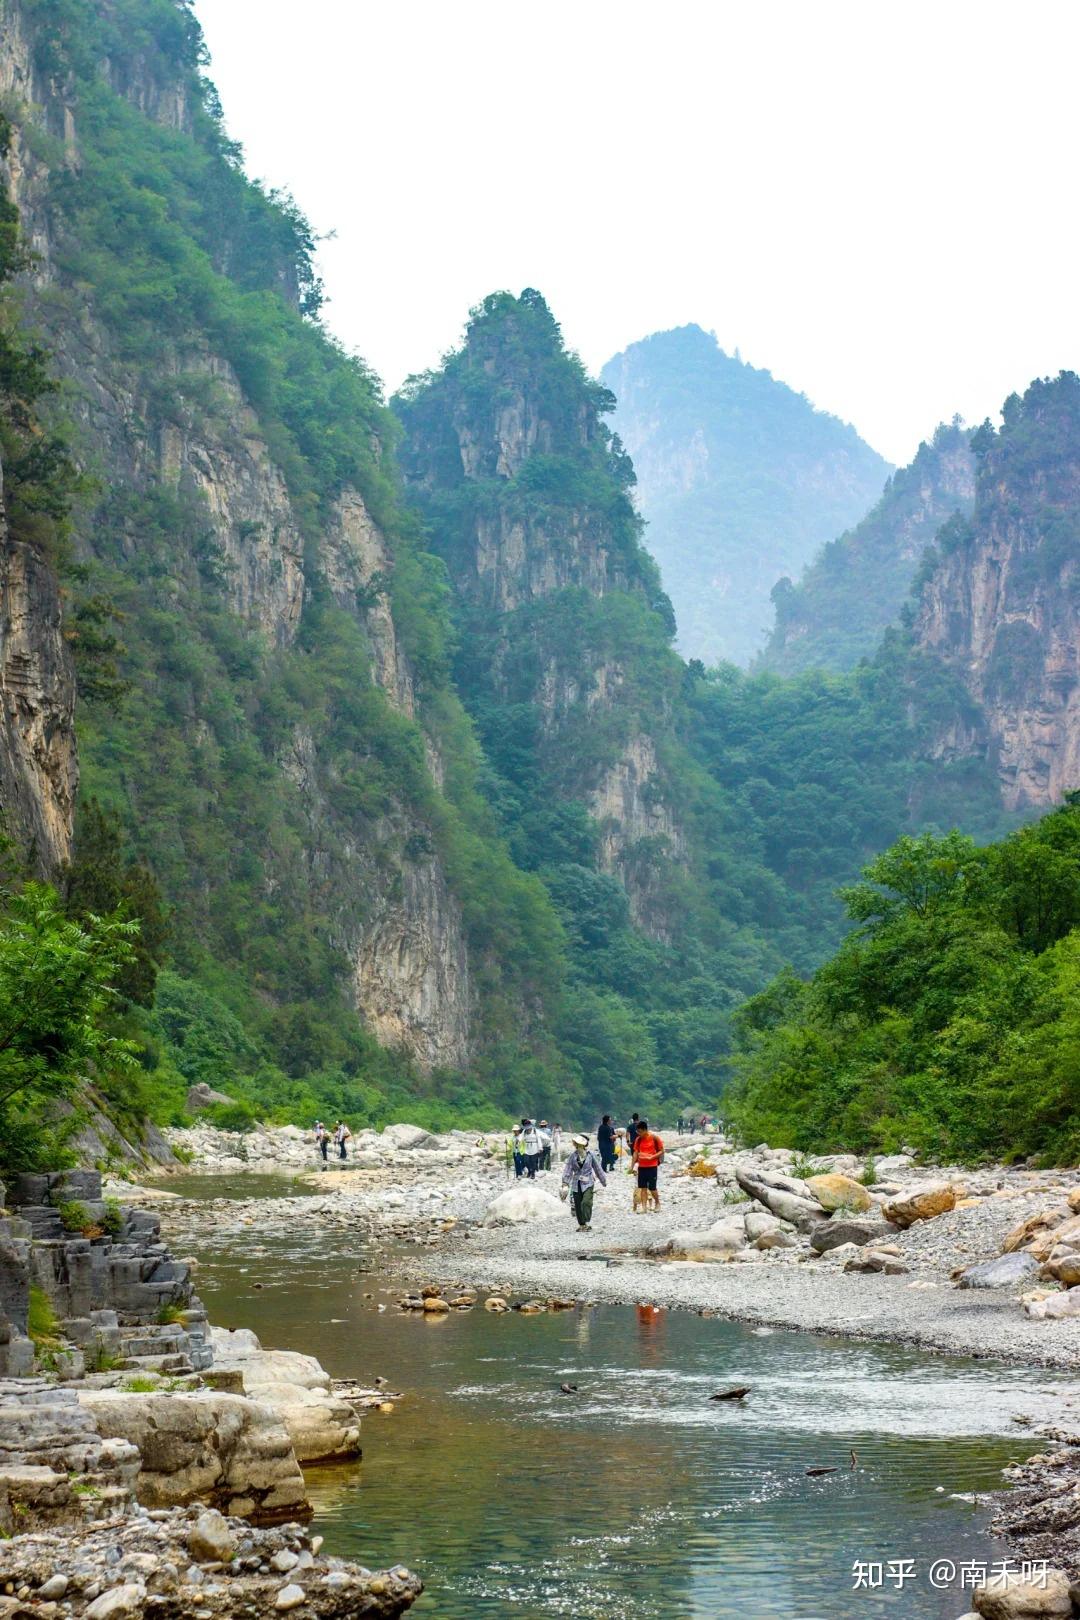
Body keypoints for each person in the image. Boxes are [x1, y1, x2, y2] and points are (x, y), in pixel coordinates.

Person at [560, 1133, 607, 1231]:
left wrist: (603, 1181)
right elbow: (568, 1169)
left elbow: (597, 1168)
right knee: (577, 1204)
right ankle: (582, 1224)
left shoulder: (591, 1155)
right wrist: (565, 1183)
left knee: (586, 1202)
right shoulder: (573, 1157)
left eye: (580, 1144)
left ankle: (586, 1220)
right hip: (576, 1183)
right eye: (577, 1144)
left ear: (584, 1145)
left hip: (588, 1182)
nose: (578, 1146)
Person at [632, 1117, 665, 1213]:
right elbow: (635, 1153)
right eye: (637, 1131)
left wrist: (652, 1157)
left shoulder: (654, 1138)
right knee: (642, 1187)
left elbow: (662, 1151)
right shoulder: (638, 1140)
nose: (639, 1133)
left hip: (652, 1166)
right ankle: (644, 1207)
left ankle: (657, 1203)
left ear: (645, 1130)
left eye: (640, 1131)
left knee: (652, 1188)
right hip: (641, 1166)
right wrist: (632, 1166)